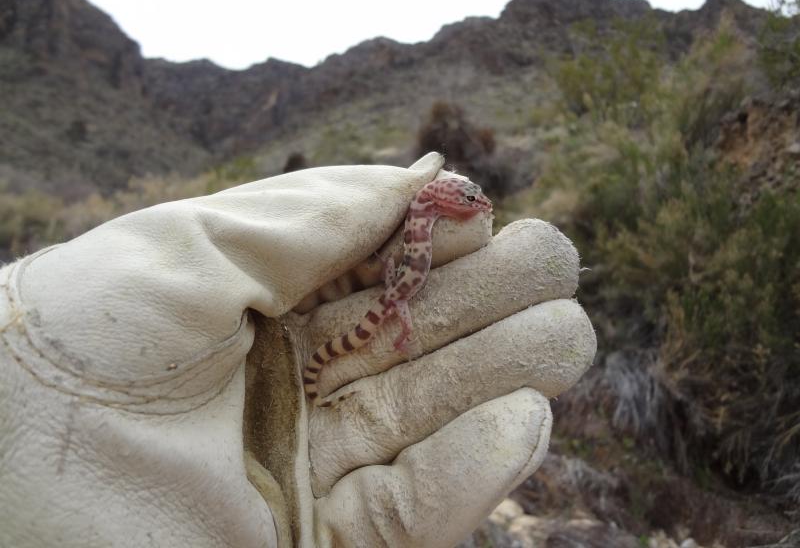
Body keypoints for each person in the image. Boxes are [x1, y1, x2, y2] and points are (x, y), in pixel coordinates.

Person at [0, 153, 596, 547]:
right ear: (444, 200)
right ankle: (324, 368)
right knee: (378, 326)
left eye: (472, 199)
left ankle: (327, 366)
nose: (475, 202)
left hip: (398, 295)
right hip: (396, 300)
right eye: (468, 198)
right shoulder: (425, 207)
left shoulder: (431, 207)